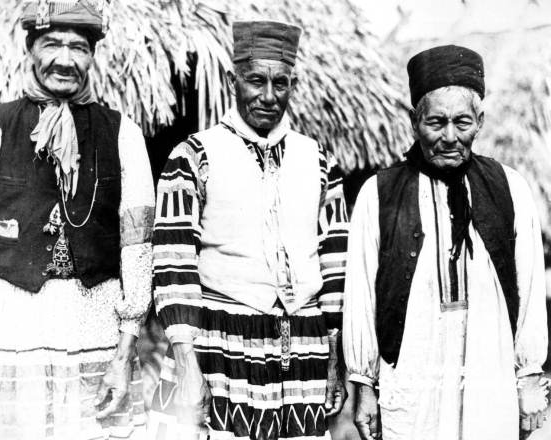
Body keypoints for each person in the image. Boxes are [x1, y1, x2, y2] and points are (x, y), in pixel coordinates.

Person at [0, 1, 154, 438]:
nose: (65, 60)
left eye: (78, 47)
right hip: (12, 329)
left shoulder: (124, 134)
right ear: (30, 49)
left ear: (93, 55)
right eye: (51, 44)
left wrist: (124, 351)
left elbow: (137, 245)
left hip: (95, 328)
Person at [147, 20, 349, 440]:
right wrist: (187, 362)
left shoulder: (318, 162)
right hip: (218, 350)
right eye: (256, 80)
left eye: (281, 83)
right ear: (232, 79)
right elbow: (172, 260)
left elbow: (336, 264)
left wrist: (334, 358)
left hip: (303, 356)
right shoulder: (194, 156)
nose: (269, 96)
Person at [343, 44, 549, 440]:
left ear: (481, 122)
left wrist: (528, 376)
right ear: (413, 121)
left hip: (489, 365)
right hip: (412, 373)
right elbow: (361, 295)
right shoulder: (379, 194)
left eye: (463, 122)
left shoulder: (510, 188)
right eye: (436, 122)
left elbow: (529, 288)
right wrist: (363, 382)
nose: (450, 137)